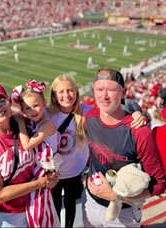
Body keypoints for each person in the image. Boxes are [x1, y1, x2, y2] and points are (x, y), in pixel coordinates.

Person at [49, 74, 146, 228]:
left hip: (74, 174)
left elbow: (117, 104)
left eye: (70, 90)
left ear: (77, 92)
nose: (66, 95)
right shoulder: (47, 113)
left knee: (70, 214)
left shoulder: (87, 111)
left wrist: (135, 111)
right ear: (53, 94)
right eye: (61, 92)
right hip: (52, 175)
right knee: (51, 216)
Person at [83, 68, 166, 227]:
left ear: (123, 92)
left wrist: (116, 196)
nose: (104, 96)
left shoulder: (140, 132)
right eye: (99, 90)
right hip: (90, 201)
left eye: (111, 90)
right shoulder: (90, 117)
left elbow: (159, 185)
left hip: (124, 211)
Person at [0, 83, 59, 227]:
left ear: (10, 101)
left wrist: (52, 175)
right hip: (9, 216)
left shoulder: (27, 122)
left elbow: (47, 150)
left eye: (2, 101)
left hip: (39, 202)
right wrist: (41, 183)